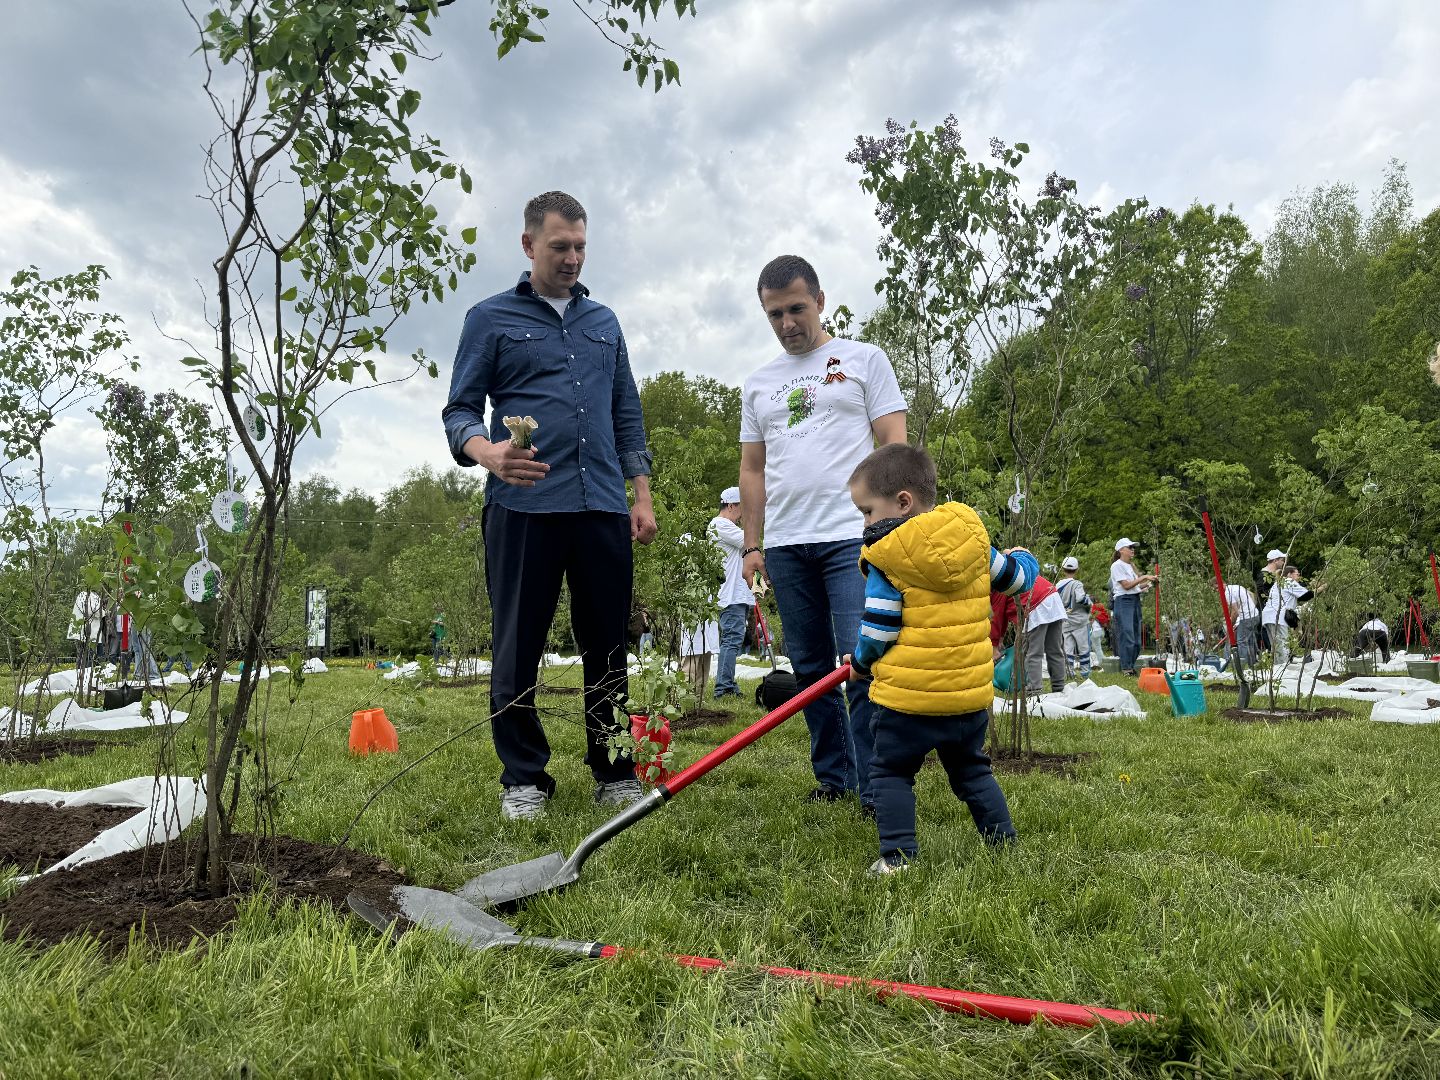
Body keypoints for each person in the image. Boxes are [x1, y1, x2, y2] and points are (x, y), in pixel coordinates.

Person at [442, 190, 657, 821]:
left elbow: (626, 411)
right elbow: (459, 410)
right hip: (523, 505)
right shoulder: (489, 318)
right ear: (529, 244)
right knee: (519, 644)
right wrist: (489, 454)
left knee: (609, 643)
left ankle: (614, 768)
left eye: (581, 246)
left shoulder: (604, 324)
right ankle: (524, 779)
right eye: (560, 246)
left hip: (600, 506)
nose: (572, 258)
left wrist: (640, 494)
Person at [739, 255, 907, 809]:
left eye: (796, 308)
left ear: (820, 300)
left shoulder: (863, 359)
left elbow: (893, 446)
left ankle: (876, 783)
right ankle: (833, 780)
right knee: (810, 670)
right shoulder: (759, 383)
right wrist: (753, 545)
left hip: (850, 538)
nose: (787, 323)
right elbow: (753, 471)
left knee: (862, 661)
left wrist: (893, 528)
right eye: (774, 314)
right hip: (786, 543)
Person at [842, 444, 1037, 873]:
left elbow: (879, 628)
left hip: (908, 701)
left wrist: (859, 664)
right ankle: (1003, 845)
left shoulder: (885, 557)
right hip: (966, 700)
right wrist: (1026, 559)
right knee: (972, 771)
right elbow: (1018, 579)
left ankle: (898, 857)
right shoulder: (973, 543)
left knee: (891, 772)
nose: (865, 523)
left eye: (867, 511)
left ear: (902, 503)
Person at [990, 571, 1067, 696]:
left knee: (1032, 653)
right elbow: (1002, 617)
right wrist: (1000, 638)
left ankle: (1034, 692)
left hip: (1035, 604)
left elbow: (997, 617)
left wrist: (994, 645)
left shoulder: (999, 584)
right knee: (1055, 650)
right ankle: (1059, 689)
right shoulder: (1010, 569)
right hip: (1052, 596)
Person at [710, 486, 754, 700]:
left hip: (738, 594)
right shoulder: (720, 525)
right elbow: (751, 540)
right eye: (743, 508)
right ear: (731, 506)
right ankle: (723, 687)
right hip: (731, 596)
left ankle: (728, 683)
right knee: (731, 639)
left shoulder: (727, 527)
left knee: (734, 638)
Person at [1109, 539, 1156, 676]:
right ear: (1121, 550)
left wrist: (1150, 582)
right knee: (1127, 635)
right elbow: (1126, 585)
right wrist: (1144, 577)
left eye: (1133, 547)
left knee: (1136, 639)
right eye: (1129, 547)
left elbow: (1135, 587)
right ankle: (1126, 668)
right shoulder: (1117, 566)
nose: (1132, 549)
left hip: (1135, 601)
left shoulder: (1130, 566)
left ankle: (1131, 666)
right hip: (1123, 602)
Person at [1055, 557, 1092, 680]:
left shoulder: (1058, 584)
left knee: (1068, 647)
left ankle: (1069, 672)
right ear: (1076, 570)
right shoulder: (1077, 584)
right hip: (1079, 621)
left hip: (1065, 620)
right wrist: (1089, 601)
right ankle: (1085, 673)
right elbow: (1080, 598)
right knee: (1083, 647)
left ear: (1063, 569)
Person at [1223, 581, 1261, 666]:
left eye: (1217, 588)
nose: (1217, 591)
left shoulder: (1227, 593)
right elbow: (1251, 596)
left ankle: (1244, 665)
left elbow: (1235, 612)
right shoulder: (1237, 587)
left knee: (1241, 641)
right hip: (1255, 615)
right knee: (1250, 640)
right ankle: (1252, 663)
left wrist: (1230, 625)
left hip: (1246, 618)